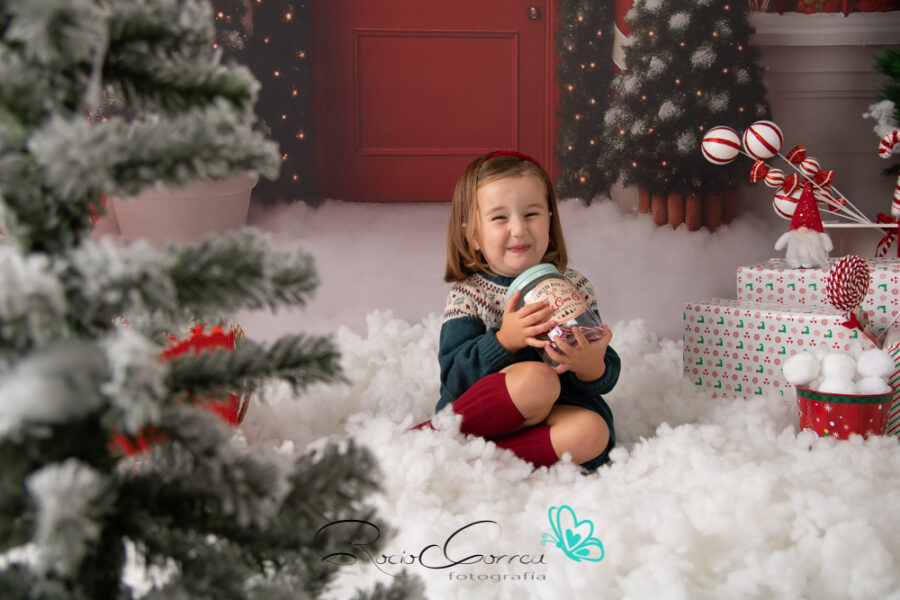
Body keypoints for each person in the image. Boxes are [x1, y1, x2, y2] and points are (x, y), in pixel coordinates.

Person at [414, 150, 620, 471]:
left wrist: (591, 366)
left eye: (531, 214)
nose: (519, 229)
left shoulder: (574, 286)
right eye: (500, 218)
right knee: (538, 381)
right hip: (485, 416)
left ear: (549, 220)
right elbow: (455, 379)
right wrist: (503, 341)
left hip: (557, 412)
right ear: (473, 235)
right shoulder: (471, 295)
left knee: (593, 432)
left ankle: (483, 459)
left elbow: (602, 372)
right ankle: (431, 438)